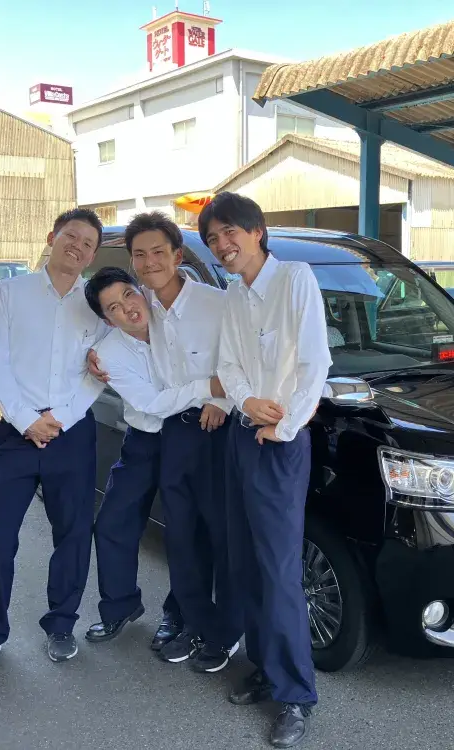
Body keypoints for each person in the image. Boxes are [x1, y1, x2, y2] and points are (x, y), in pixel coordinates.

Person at [198, 192, 331, 748]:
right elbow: (227, 363)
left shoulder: (295, 279)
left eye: (229, 232)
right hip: (242, 435)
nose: (222, 245)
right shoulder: (234, 294)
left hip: (279, 443)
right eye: (212, 239)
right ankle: (265, 666)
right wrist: (247, 401)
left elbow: (316, 362)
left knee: (278, 572)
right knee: (244, 561)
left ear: (257, 231)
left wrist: (286, 424)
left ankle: (296, 694)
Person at [0, 208, 108, 680]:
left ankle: (61, 623)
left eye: (87, 243)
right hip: (16, 433)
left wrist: (58, 420)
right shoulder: (10, 293)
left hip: (72, 432)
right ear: (52, 237)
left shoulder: (96, 305)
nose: (78, 247)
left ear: (92, 254)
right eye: (71, 236)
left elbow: (96, 375)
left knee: (73, 535)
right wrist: (27, 421)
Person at [119, 211, 242, 673]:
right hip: (174, 430)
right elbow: (108, 327)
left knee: (223, 536)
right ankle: (194, 622)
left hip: (217, 430)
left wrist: (223, 400)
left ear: (177, 255)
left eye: (158, 251)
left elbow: (241, 358)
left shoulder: (217, 303)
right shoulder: (142, 307)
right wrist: (95, 356)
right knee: (183, 537)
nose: (150, 261)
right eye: (140, 255)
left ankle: (227, 633)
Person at [82, 267, 227, 655]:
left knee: (186, 531)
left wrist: (218, 397)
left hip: (193, 435)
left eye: (128, 295)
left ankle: (177, 614)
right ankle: (120, 605)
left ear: (140, 290)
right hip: (145, 439)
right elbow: (151, 403)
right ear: (106, 319)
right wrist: (206, 389)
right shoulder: (108, 353)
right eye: (114, 308)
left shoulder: (171, 317)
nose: (128, 308)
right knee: (113, 521)